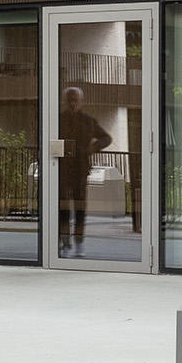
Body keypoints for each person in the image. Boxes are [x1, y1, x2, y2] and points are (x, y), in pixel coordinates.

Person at [57, 83, 111, 255]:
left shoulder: (88, 121)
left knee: (80, 209)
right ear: (65, 101)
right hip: (62, 170)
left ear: (81, 102)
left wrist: (94, 147)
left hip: (80, 170)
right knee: (63, 208)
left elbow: (106, 138)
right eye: (70, 100)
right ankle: (65, 244)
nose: (73, 104)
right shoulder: (58, 120)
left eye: (76, 100)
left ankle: (79, 243)